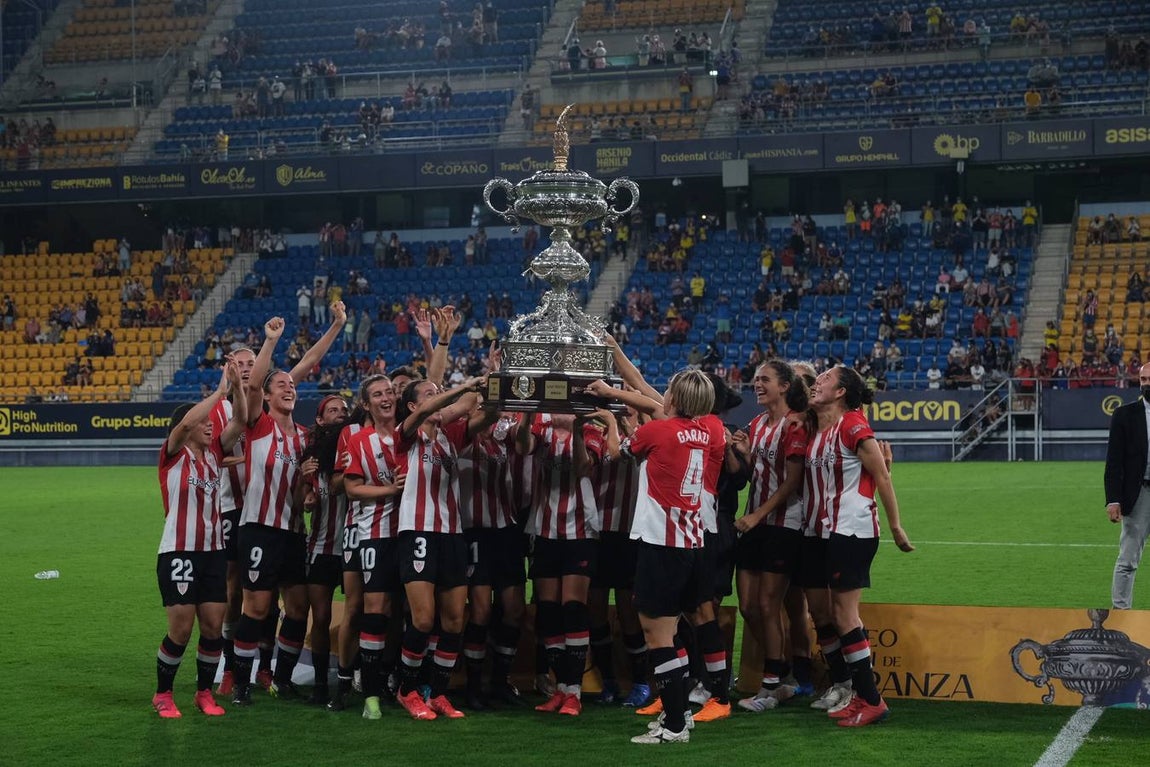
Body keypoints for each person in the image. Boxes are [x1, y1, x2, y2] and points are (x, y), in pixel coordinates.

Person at [594, 370, 726, 744]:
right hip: (694, 543)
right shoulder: (708, 431)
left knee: (659, 636)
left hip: (662, 545)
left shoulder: (657, 431)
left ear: (674, 399)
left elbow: (618, 454)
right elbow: (656, 408)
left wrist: (608, 421)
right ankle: (679, 711)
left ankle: (675, 725)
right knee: (672, 632)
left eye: (667, 389)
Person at [802, 366, 913, 727]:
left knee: (846, 617)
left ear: (841, 392)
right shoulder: (822, 428)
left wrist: (895, 525)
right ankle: (858, 694)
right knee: (837, 616)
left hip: (851, 530)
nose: (818, 382)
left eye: (825, 379)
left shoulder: (852, 424)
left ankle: (872, 700)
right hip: (828, 531)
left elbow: (880, 475)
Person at [390, 374, 492, 720]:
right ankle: (407, 690)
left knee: (453, 620)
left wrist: (494, 388)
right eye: (430, 395)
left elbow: (485, 416)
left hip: (452, 534)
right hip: (417, 532)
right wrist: (463, 388)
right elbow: (445, 405)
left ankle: (438, 693)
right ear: (414, 406)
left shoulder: (450, 438)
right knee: (422, 619)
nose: (439, 398)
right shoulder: (407, 433)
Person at [153, 361, 246, 719]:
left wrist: (237, 389)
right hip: (179, 551)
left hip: (212, 554)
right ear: (186, 428)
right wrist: (219, 392)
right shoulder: (172, 455)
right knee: (180, 629)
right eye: (205, 423)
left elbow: (238, 422)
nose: (211, 426)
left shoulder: (214, 456)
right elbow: (190, 421)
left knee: (211, 627)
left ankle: (203, 693)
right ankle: (163, 694)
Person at [732, 360, 810, 712]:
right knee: (749, 606)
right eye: (756, 379)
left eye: (764, 380)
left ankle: (772, 683)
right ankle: (784, 673)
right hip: (755, 523)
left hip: (782, 525)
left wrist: (757, 515)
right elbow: (756, 475)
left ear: (784, 386)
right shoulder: (757, 424)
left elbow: (793, 482)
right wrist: (746, 458)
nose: (756, 384)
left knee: (768, 604)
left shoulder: (794, 425)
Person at [517, 411, 604, 716]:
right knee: (549, 610)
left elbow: (583, 467)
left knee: (573, 606)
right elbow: (521, 446)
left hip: (580, 530)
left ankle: (575, 691)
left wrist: (578, 431)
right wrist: (527, 417)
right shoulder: (541, 430)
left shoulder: (592, 432)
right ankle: (561, 689)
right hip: (544, 530)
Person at [296, 394, 351, 706]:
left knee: (360, 615)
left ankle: (353, 678)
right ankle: (319, 684)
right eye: (332, 410)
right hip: (320, 548)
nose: (340, 414)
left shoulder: (358, 450)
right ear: (319, 420)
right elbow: (300, 501)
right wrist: (305, 494)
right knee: (320, 617)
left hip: (356, 548)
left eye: (344, 409)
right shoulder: (312, 461)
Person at [1105, 363, 1150, 609]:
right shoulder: (1124, 415)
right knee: (1127, 560)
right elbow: (1114, 461)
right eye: (1143, 379)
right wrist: (1113, 499)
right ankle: (1121, 613)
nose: (1146, 383)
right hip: (1138, 494)